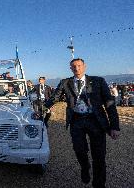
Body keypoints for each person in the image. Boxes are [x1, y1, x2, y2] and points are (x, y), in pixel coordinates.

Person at [45, 58, 120, 188]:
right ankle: (85, 167)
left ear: (84, 66)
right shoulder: (65, 82)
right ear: (70, 68)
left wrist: (114, 126)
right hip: (76, 120)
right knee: (79, 150)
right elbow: (54, 98)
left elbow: (109, 103)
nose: (77, 68)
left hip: (96, 121)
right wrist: (40, 110)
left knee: (99, 155)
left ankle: (99, 184)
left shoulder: (98, 81)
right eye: (74, 66)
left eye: (79, 66)